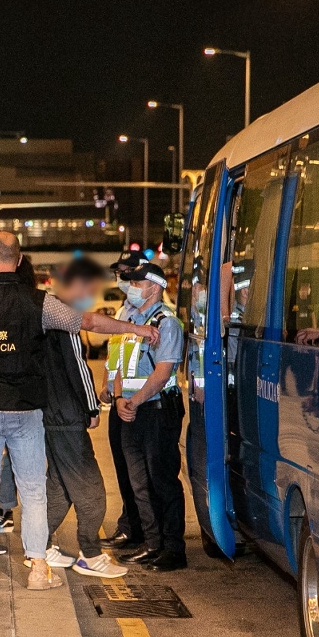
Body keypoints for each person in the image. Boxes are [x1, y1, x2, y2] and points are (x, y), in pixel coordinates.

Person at [0, 232, 157, 589]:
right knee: (33, 491)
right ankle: (37, 569)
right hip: (26, 412)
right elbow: (88, 322)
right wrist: (135, 328)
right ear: (19, 261)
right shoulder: (39, 303)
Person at [40, 257, 127, 578]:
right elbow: (78, 368)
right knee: (90, 488)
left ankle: (39, 548)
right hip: (66, 414)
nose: (91, 296)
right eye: (90, 289)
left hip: (49, 412)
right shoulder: (66, 317)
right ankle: (90, 554)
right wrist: (92, 409)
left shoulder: (44, 311)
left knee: (59, 486)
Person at [113, 262, 187, 572]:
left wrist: (133, 401)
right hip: (132, 411)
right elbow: (121, 366)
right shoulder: (132, 322)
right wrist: (119, 398)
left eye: (137, 283)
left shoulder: (167, 323)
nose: (131, 287)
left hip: (157, 411)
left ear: (154, 287)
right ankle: (152, 543)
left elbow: (163, 372)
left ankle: (173, 549)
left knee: (162, 481)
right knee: (139, 483)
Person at [100, 247, 149, 549]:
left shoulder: (148, 314)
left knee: (141, 476)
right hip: (119, 399)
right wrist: (107, 385)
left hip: (139, 403)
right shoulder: (124, 310)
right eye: (119, 274)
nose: (122, 279)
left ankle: (140, 530)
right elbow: (117, 355)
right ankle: (130, 525)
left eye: (127, 273)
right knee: (123, 469)